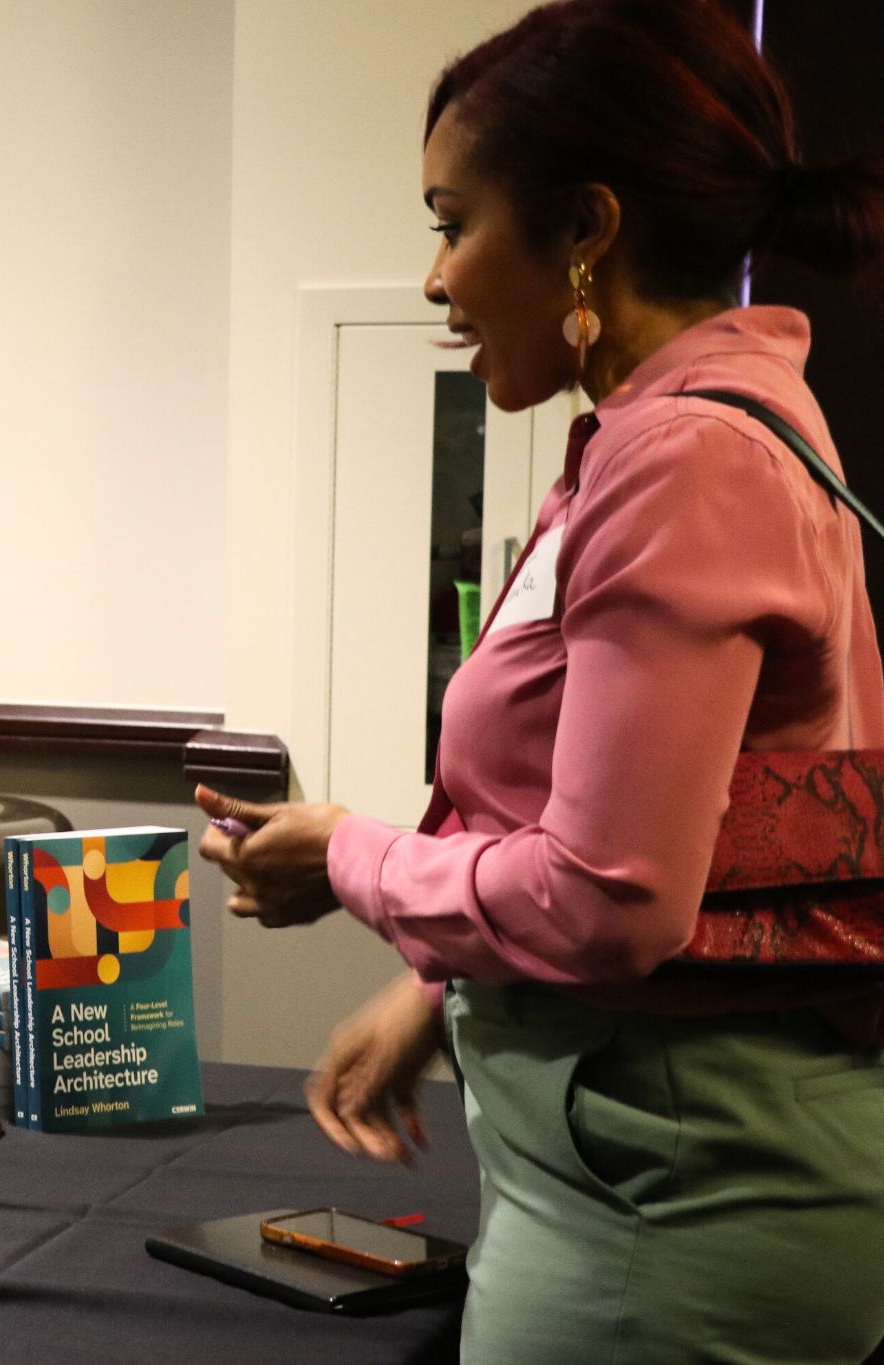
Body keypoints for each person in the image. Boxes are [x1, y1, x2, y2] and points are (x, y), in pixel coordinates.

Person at [194, 2, 884, 1360]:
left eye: (455, 223)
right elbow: (639, 823)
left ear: (585, 230)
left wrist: (353, 855)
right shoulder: (664, 440)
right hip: (629, 1175)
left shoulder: (684, 462)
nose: (439, 278)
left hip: (670, 1219)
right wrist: (440, 984)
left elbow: (610, 898)